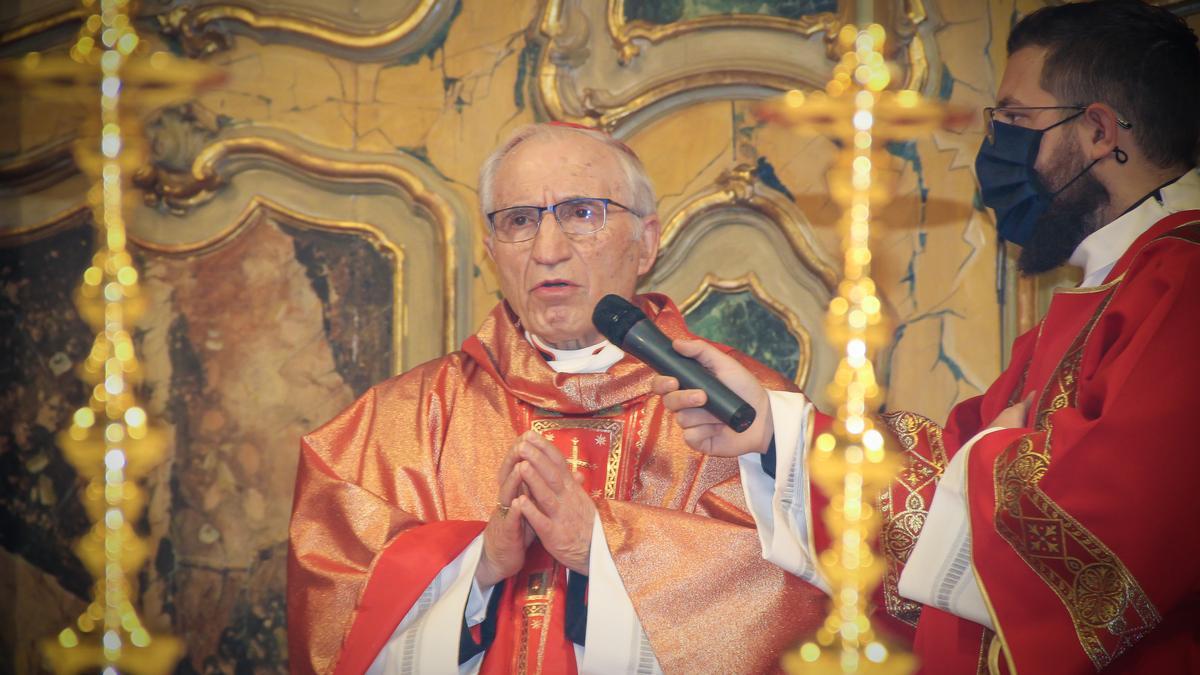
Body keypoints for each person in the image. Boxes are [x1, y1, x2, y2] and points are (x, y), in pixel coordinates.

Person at [653, 1, 1200, 672]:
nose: (999, 144)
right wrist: (774, 426)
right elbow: (953, 460)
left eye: (1016, 120)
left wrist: (995, 450)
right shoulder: (1104, 289)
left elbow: (1117, 529)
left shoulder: (1182, 283)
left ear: (1096, 130)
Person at [285, 122, 828, 675]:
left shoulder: (743, 412)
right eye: (520, 220)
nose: (548, 250)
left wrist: (604, 546)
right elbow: (332, 617)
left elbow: (807, 597)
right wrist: (475, 567)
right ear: (493, 249)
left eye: (582, 213)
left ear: (645, 242)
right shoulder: (391, 425)